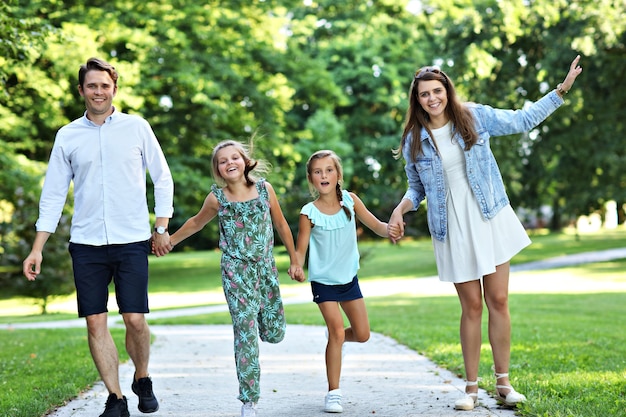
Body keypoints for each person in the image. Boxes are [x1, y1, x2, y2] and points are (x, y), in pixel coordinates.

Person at [388, 56, 583, 410]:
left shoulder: (473, 116)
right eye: (424, 95)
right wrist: (401, 208)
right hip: (452, 228)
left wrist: (561, 91)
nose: (432, 99)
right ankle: (471, 389)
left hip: (489, 216)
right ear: (416, 100)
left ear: (447, 91)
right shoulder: (414, 140)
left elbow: (522, 120)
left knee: (499, 301)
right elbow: (416, 189)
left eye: (437, 91)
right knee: (472, 306)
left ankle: (504, 384)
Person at [22, 58, 173, 417]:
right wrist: (37, 248)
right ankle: (116, 398)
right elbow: (54, 195)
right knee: (95, 321)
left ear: (114, 89)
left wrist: (162, 227)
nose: (98, 92)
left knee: (135, 318)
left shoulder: (137, 127)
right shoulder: (67, 136)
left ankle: (142, 376)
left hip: (132, 239)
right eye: (92, 86)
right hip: (86, 243)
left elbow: (162, 177)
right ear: (81, 91)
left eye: (104, 85)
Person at [162, 139, 300, 417]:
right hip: (235, 272)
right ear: (218, 170)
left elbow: (282, 224)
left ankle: (266, 328)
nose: (229, 163)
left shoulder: (264, 189)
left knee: (274, 332)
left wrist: (295, 259)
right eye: (223, 161)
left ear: (245, 160)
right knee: (245, 330)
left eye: (234, 157)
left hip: (265, 267)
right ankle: (249, 400)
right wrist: (170, 241)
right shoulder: (217, 198)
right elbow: (196, 222)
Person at [291, 150, 398, 414]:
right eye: (317, 172)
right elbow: (301, 249)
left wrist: (391, 229)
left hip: (348, 279)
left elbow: (375, 225)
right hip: (323, 282)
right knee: (338, 331)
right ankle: (333, 393)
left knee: (362, 334)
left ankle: (335, 339)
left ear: (338, 175)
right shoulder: (308, 213)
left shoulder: (350, 201)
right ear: (311, 178)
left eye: (329, 170)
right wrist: (296, 265)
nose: (323, 175)